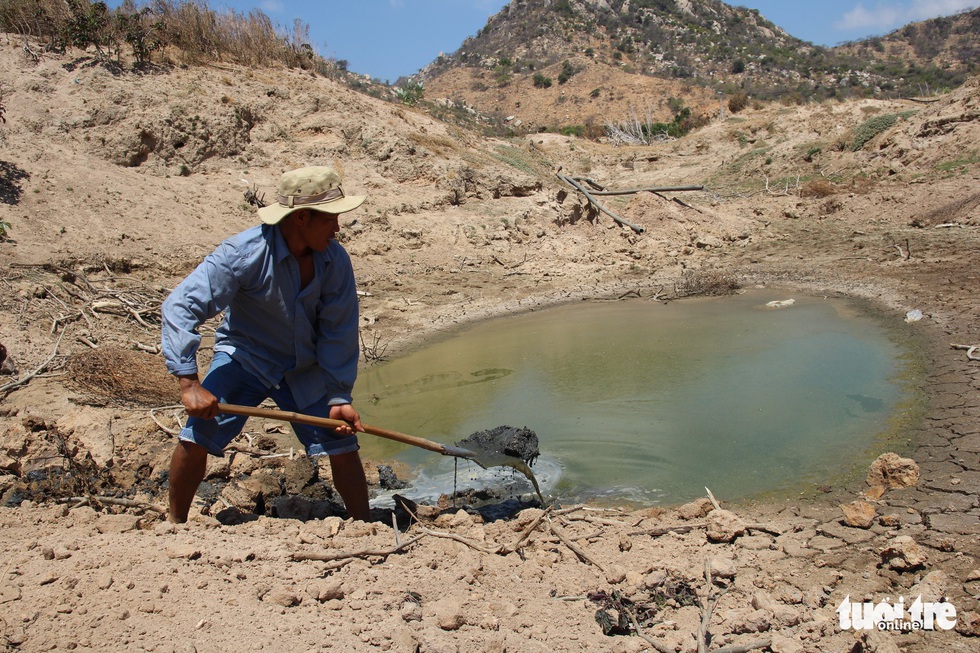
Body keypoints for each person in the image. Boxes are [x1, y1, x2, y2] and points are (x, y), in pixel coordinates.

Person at [161, 165, 370, 523]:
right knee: (196, 435)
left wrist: (339, 396)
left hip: (304, 367)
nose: (337, 228)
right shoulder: (242, 254)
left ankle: (365, 526)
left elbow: (339, 331)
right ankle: (174, 525)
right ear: (302, 217)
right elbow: (180, 306)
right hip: (247, 358)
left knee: (342, 443)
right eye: (331, 218)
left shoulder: (334, 261)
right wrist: (189, 382)